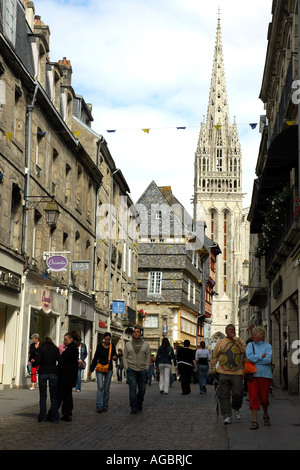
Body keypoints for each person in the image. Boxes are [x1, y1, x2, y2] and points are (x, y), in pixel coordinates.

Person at [211, 324, 246, 425]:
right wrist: (213, 369)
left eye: (233, 330)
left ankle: (236, 407)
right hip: (222, 372)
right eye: (229, 330)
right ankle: (226, 415)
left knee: (238, 393)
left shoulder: (239, 341)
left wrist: (234, 338)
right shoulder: (220, 343)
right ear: (226, 331)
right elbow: (214, 356)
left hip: (237, 372)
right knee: (224, 395)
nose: (231, 331)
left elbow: (244, 350)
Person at [246, 326, 273, 430]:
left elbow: (268, 360)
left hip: (265, 375)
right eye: (253, 334)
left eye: (255, 334)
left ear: (261, 335)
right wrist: (261, 356)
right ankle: (255, 421)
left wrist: (255, 358)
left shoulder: (268, 346)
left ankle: (265, 413)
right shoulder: (250, 345)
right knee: (253, 397)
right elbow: (249, 358)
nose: (253, 335)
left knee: (264, 399)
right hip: (252, 375)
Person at [31, 337, 61, 423]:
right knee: (53, 396)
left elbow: (38, 361)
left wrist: (33, 363)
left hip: (43, 372)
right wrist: (56, 369)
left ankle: (42, 417)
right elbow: (60, 360)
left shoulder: (41, 348)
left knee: (43, 396)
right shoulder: (55, 349)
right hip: (53, 373)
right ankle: (54, 418)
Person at [123, 326, 150, 414]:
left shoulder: (146, 344)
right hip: (131, 369)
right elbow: (125, 356)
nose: (136, 333)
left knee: (142, 389)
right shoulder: (128, 344)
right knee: (132, 389)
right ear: (132, 333)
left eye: (138, 332)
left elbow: (148, 357)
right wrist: (126, 367)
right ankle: (133, 407)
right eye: (134, 332)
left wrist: (146, 368)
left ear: (140, 333)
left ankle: (139, 402)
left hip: (142, 370)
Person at [88, 332, 117, 412]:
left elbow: (115, 355)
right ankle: (99, 406)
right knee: (100, 387)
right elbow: (95, 358)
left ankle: (105, 405)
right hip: (100, 368)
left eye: (109, 339)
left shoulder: (112, 347)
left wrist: (115, 357)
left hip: (109, 369)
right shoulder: (99, 346)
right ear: (104, 339)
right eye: (106, 339)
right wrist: (91, 369)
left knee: (106, 388)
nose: (107, 341)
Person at [57, 332, 79, 422]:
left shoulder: (71, 349)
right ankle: (67, 413)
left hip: (66, 376)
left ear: (71, 339)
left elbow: (62, 359)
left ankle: (58, 412)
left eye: (66, 339)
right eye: (64, 339)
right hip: (69, 376)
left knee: (61, 395)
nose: (64, 341)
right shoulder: (72, 348)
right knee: (67, 395)